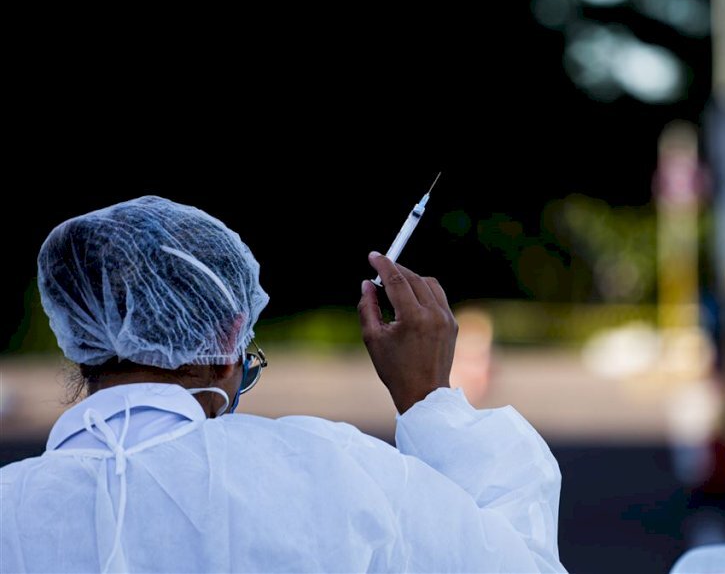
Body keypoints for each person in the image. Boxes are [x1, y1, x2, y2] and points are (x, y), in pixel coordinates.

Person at [0, 195, 565, 573]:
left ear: (77, 335)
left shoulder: (11, 507)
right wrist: (430, 401)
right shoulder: (333, 472)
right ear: (230, 334)